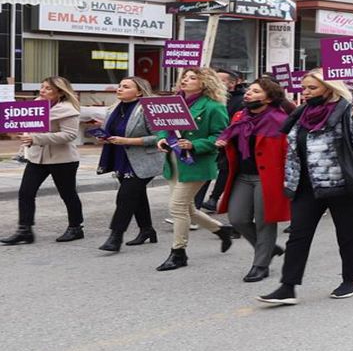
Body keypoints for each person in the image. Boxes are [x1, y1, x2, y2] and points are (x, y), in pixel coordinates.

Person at [256, 69, 353, 305]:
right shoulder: (302, 113)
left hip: (344, 186)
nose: (305, 93)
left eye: (312, 88)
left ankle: (351, 280)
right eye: (304, 88)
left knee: (348, 236)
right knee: (298, 235)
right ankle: (288, 287)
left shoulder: (348, 110)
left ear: (329, 88)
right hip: (306, 185)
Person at [154, 68, 234, 272]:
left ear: (205, 82)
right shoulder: (174, 102)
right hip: (174, 160)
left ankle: (178, 252)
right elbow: (164, 126)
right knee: (187, 208)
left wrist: (194, 145)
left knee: (177, 207)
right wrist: (162, 138)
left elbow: (220, 136)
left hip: (195, 162)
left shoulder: (213, 106)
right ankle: (221, 230)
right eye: (184, 77)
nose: (186, 81)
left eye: (192, 78)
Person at [215, 78, 290, 282]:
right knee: (237, 218)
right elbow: (232, 137)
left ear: (269, 98)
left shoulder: (279, 120)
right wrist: (224, 141)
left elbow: (287, 152)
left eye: (255, 91)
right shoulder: (240, 116)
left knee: (265, 222)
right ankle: (267, 248)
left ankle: (260, 265)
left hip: (268, 177)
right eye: (249, 90)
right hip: (243, 175)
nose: (248, 93)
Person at [0, 77, 84, 245]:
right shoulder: (35, 107)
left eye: (48, 88)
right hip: (37, 158)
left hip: (62, 160)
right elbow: (28, 126)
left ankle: (76, 227)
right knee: (25, 192)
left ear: (60, 92)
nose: (42, 90)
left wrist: (36, 138)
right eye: (42, 87)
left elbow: (69, 135)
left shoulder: (68, 109)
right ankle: (24, 230)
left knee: (67, 194)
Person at [96, 77, 165, 252]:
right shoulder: (113, 109)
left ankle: (115, 237)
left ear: (139, 91)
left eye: (125, 87)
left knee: (125, 197)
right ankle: (147, 230)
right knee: (137, 196)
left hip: (143, 160)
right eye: (119, 86)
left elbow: (159, 137)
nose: (119, 89)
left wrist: (128, 140)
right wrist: (103, 136)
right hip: (120, 158)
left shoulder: (147, 109)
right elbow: (111, 131)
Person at [195, 68, 246, 213]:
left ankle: (214, 198)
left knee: (224, 170)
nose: (217, 82)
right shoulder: (211, 98)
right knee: (206, 172)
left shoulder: (241, 100)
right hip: (212, 140)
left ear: (233, 83)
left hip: (229, 142)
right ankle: (195, 205)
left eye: (222, 80)